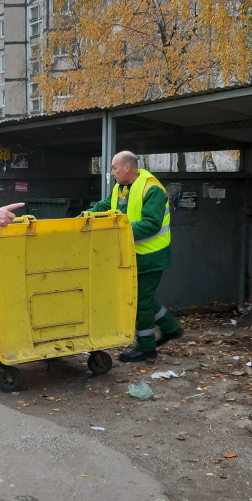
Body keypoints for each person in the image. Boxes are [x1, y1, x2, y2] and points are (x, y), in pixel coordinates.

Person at [88, 151, 183, 362]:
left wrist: (118, 230)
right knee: (142, 298)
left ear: (126, 168)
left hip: (151, 257)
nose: (112, 173)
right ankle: (170, 327)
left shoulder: (152, 189)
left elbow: (151, 224)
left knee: (141, 302)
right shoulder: (122, 188)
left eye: (114, 168)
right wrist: (81, 220)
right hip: (134, 257)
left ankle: (146, 348)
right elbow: (104, 207)